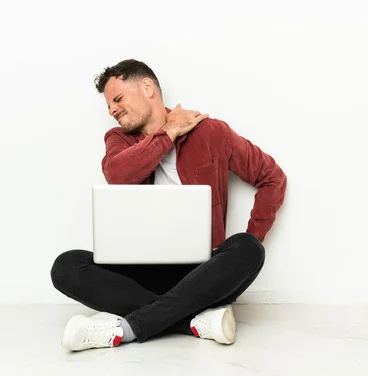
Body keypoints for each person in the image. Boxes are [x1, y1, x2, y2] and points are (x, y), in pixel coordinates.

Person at [50, 59, 287, 352]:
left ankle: (125, 330)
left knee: (248, 248)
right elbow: (118, 175)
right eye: (108, 105)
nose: (112, 110)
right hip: (140, 270)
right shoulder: (119, 140)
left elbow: (272, 178)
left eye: (118, 99)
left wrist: (255, 233)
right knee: (66, 266)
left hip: (201, 272)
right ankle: (192, 322)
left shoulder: (211, 132)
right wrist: (168, 133)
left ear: (147, 87)